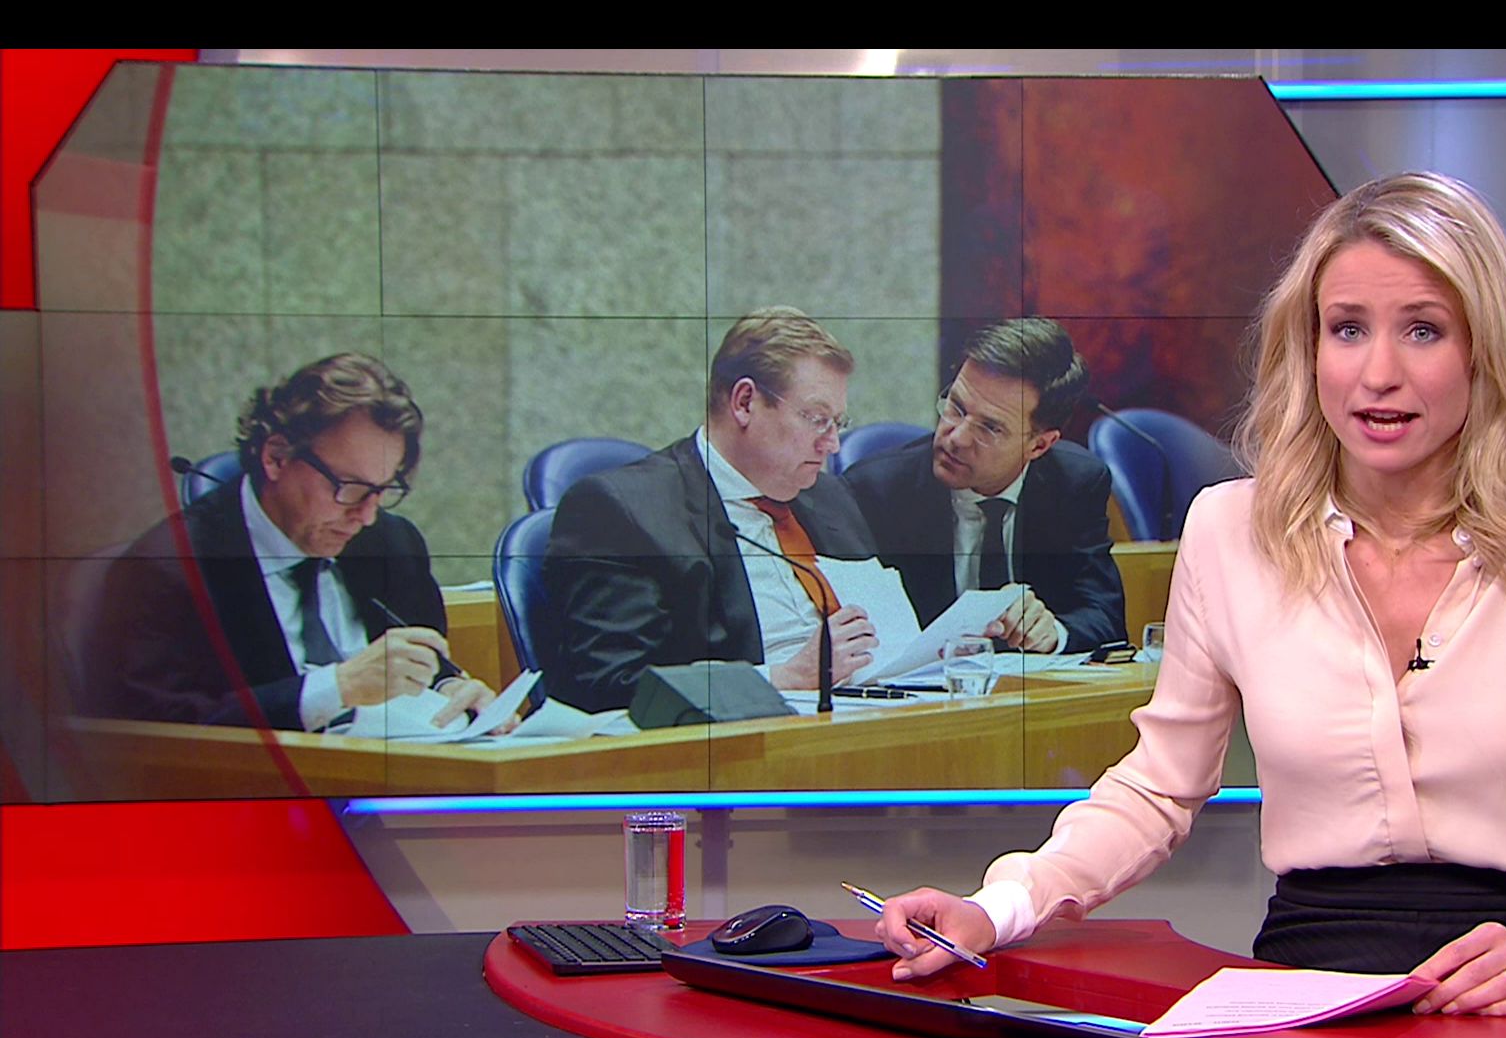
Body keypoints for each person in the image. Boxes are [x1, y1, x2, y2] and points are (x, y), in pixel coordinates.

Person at [878, 172, 1506, 1017]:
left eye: (1424, 330)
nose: (1379, 373)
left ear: (1485, 350)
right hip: (1310, 981)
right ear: (1310, 347)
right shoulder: (1231, 531)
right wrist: (999, 907)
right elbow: (1159, 786)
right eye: (1348, 329)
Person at [86, 353, 508, 732]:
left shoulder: (390, 544)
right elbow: (159, 728)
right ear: (276, 457)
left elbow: (427, 667)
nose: (366, 515)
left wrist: (453, 691)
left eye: (382, 490)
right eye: (349, 487)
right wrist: (334, 688)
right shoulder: (170, 568)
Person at [541, 307, 879, 713]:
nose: (832, 444)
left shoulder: (829, 498)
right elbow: (611, 685)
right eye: (817, 419)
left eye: (837, 423)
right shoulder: (621, 511)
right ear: (745, 402)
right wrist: (784, 678)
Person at [844, 318, 1125, 654]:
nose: (957, 438)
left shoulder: (1074, 484)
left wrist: (1054, 633)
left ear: (1039, 445)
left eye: (990, 428)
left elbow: (1105, 616)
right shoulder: (877, 491)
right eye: (956, 408)